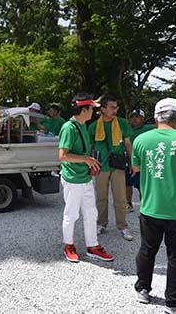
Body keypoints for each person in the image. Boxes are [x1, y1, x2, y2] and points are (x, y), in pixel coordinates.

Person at [132, 97, 176, 314]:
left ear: (155, 118)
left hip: (150, 207)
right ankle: (174, 302)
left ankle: (142, 289)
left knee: (147, 249)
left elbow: (137, 168)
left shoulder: (141, 140)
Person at [58, 93, 113, 263]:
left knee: (91, 212)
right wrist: (86, 159)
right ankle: (69, 246)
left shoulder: (82, 125)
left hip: (85, 177)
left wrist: (89, 162)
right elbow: (63, 155)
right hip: (73, 179)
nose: (94, 112)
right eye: (92, 109)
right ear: (84, 109)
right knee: (71, 214)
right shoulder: (69, 127)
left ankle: (93, 246)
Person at [88, 95, 133, 241]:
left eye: (116, 107)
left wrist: (132, 162)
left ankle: (123, 226)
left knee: (120, 198)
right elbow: (90, 147)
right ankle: (101, 223)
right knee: (101, 197)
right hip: (101, 165)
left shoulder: (122, 123)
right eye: (112, 107)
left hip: (118, 165)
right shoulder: (94, 126)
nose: (115, 110)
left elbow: (127, 143)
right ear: (103, 109)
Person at [125, 109, 154, 213]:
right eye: (132, 117)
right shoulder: (127, 129)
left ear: (143, 118)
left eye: (137, 117)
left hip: (142, 162)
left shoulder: (150, 129)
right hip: (128, 161)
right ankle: (128, 204)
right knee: (127, 184)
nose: (134, 119)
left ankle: (144, 205)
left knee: (141, 184)